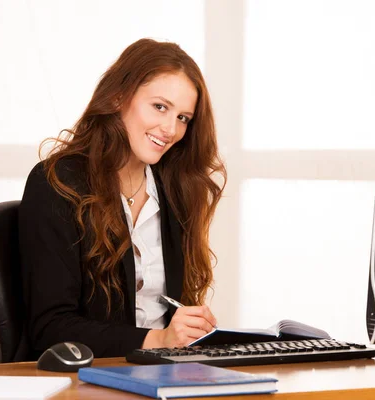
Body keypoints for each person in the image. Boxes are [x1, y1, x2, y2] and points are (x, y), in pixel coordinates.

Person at [18, 38, 226, 359]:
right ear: (118, 98)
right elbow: (50, 328)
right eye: (160, 107)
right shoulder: (58, 182)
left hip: (164, 371)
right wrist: (157, 339)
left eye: (183, 117)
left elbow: (173, 313)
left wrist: (191, 330)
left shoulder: (176, 189)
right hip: (91, 379)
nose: (170, 129)